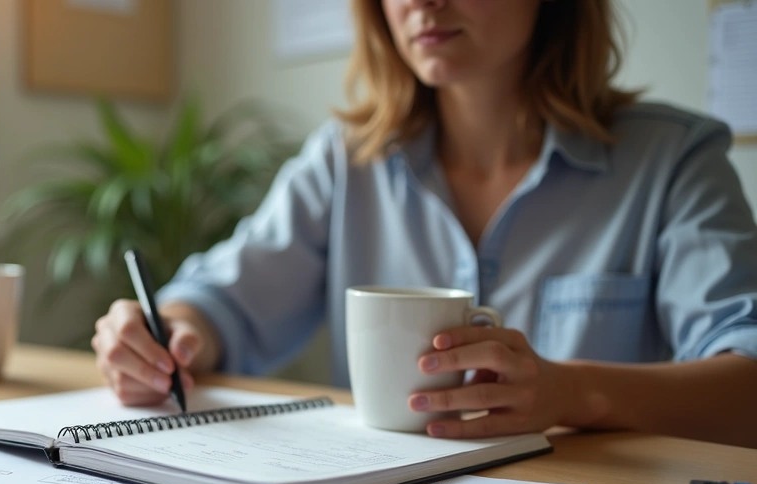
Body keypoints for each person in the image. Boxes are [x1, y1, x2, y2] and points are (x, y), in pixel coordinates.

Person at [91, 0, 757, 448]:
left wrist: (576, 392)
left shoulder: (672, 161)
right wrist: (165, 335)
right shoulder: (346, 162)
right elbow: (223, 301)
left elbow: (747, 383)